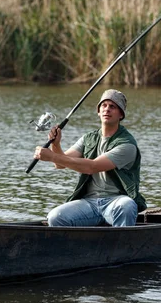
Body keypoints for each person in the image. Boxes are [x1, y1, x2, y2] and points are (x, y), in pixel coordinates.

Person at [33, 89, 146, 227]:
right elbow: (61, 164)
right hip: (89, 203)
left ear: (121, 114)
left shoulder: (127, 144)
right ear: (98, 111)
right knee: (55, 217)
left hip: (116, 201)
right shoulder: (88, 138)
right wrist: (56, 145)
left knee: (126, 206)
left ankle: (122, 247)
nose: (107, 109)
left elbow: (92, 167)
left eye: (113, 107)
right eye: (103, 106)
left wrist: (51, 156)